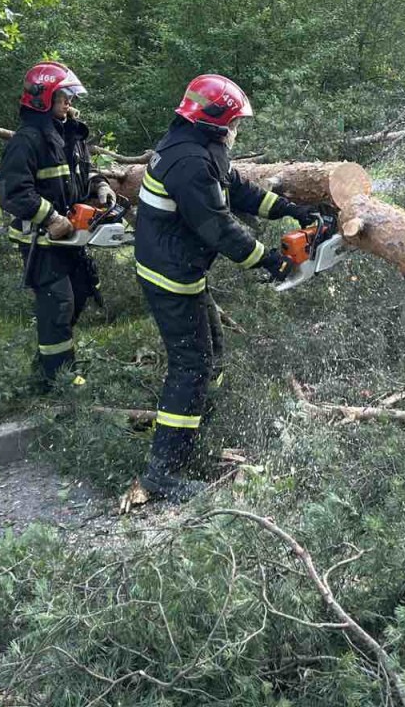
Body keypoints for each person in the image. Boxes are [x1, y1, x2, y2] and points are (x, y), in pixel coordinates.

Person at [133, 74, 319, 502]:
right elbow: (218, 227)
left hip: (180, 268)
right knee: (191, 366)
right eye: (234, 122)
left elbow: (238, 190)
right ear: (215, 121)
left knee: (211, 354)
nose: (236, 129)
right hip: (170, 276)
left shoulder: (197, 146)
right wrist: (270, 261)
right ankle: (163, 473)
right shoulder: (189, 162)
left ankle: (196, 431)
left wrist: (291, 209)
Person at [0, 62, 116, 384]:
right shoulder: (27, 140)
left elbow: (83, 173)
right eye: (63, 96)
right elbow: (12, 191)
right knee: (58, 304)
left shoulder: (70, 134)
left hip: (70, 237)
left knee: (81, 291)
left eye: (70, 96)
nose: (69, 102)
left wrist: (100, 185)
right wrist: (50, 217)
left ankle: (47, 364)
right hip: (40, 241)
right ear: (42, 97)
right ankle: (58, 380)